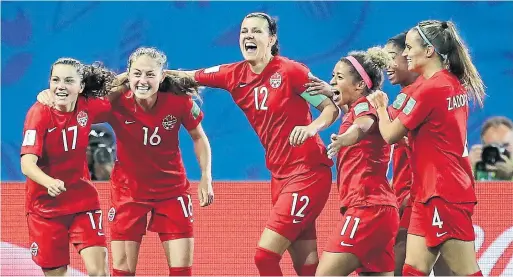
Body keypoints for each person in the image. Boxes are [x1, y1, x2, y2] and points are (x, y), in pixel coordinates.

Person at [167, 12, 339, 276]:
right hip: (279, 176)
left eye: (257, 31)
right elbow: (188, 77)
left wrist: (310, 127)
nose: (248, 35)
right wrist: (141, 76)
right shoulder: (232, 74)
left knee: (265, 257)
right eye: (244, 31)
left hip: (308, 173)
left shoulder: (291, 71)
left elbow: (330, 108)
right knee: (306, 265)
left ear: (271, 39)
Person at [37, 47, 214, 276]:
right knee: (122, 272)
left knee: (181, 271)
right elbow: (75, 104)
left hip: (172, 192)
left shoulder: (179, 102)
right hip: (128, 194)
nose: (143, 81)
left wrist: (205, 176)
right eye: (137, 73)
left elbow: (199, 137)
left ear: (162, 77)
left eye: (150, 75)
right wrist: (50, 94)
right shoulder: (115, 101)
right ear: (127, 75)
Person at [367, 20, 485, 276]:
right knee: (413, 271)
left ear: (429, 50)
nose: (405, 53)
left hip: (443, 193)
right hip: (429, 192)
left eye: (409, 48)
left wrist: (378, 106)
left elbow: (389, 134)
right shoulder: (450, 82)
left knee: (465, 272)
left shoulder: (429, 89)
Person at [21, 58, 121, 276]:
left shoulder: (88, 106)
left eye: (68, 80)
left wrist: (144, 76)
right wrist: (49, 182)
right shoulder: (38, 114)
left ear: (81, 86)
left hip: (82, 202)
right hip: (45, 209)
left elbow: (117, 89)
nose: (61, 86)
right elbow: (27, 164)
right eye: (55, 80)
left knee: (99, 273)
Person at [305, 47, 399, 276]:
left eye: (338, 77)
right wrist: (331, 90)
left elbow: (362, 126)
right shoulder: (356, 106)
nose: (332, 80)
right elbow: (350, 109)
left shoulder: (366, 105)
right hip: (381, 211)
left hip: (367, 209)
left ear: (359, 86)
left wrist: (343, 140)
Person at [385, 32, 453, 276]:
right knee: (446, 265)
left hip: (419, 195)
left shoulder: (417, 94)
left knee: (400, 263)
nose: (387, 65)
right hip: (419, 192)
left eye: (392, 57)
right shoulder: (423, 92)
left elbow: (382, 129)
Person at [469, 116, 513, 180]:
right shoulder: (477, 168)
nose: (498, 153)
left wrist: (510, 175)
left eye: (504, 146)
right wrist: (469, 169)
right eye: (493, 147)